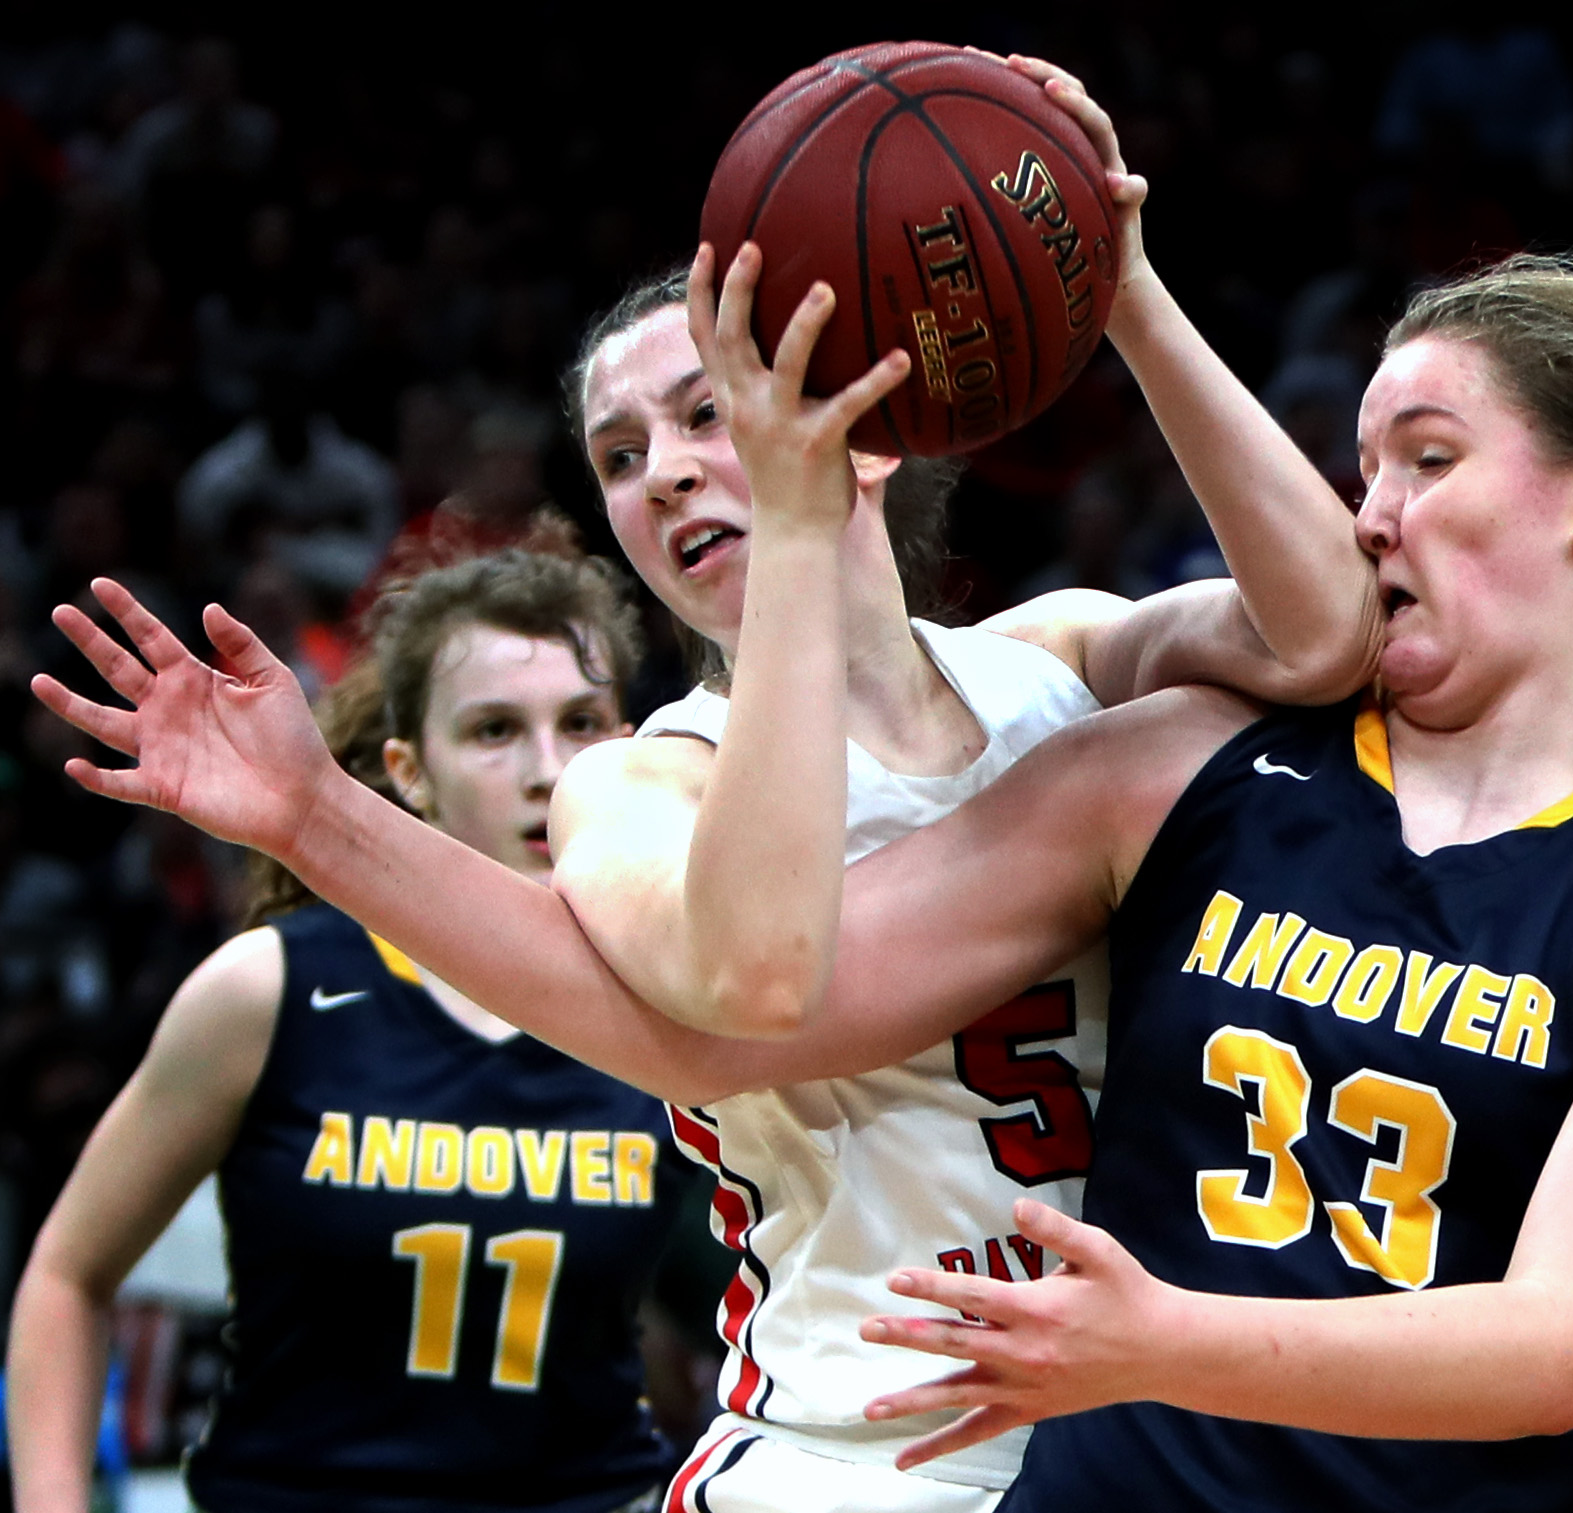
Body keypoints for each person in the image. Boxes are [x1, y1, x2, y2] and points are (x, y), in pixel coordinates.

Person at [29, 56, 1380, 1513]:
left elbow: (1325, 631)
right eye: (621, 455)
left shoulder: (1051, 662)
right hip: (847, 1457)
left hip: (1139, 1440)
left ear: (865, 417)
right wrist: (789, 530)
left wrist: (1118, 288)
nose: (665, 472)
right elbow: (753, 973)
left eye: (702, 411)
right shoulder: (633, 782)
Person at [820, 253, 1573, 1507]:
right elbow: (777, 990)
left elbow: (1555, 1346)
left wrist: (1157, 1341)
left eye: (1427, 461)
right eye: (1366, 469)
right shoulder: (1193, 756)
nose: (1371, 513)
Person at [7, 542, 697, 1513]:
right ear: (411, 771)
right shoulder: (270, 987)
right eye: (495, 730)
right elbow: (68, 1275)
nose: (549, 772)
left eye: (581, 724)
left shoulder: (684, 1006)